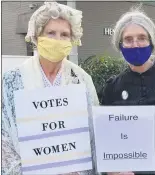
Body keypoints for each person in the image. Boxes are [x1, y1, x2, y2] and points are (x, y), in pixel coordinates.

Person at [2, 1, 99, 175]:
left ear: (73, 39)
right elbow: (4, 140)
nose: (58, 40)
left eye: (64, 35)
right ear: (37, 35)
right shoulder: (12, 81)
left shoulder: (81, 79)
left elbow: (93, 136)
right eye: (51, 33)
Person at [101, 6, 155, 175]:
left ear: (151, 42)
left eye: (142, 38)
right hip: (130, 171)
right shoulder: (112, 88)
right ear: (120, 45)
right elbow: (107, 141)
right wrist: (112, 170)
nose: (135, 44)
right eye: (128, 39)